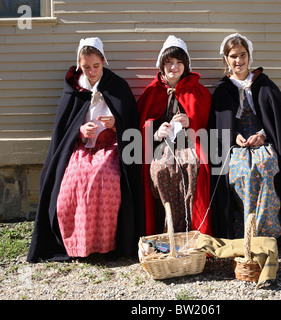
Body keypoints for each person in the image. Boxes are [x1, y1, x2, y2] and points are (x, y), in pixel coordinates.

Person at [27, 37, 144, 262]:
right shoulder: (74, 88)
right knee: (73, 183)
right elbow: (65, 127)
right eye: (86, 67)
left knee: (103, 177)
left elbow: (131, 122)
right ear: (79, 65)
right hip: (80, 148)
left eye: (96, 66)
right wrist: (80, 130)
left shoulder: (117, 86)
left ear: (103, 61)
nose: (91, 71)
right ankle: (78, 244)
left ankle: (103, 245)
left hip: (110, 146)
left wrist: (116, 124)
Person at [210, 33, 281, 253]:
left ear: (249, 56)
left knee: (266, 167)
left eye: (242, 55)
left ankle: (267, 235)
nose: (238, 61)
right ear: (226, 60)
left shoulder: (264, 85)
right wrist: (233, 137)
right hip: (237, 148)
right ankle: (245, 235)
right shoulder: (222, 90)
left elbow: (278, 124)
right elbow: (219, 127)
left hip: (262, 142)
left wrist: (263, 135)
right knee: (242, 173)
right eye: (233, 56)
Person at [137, 35, 212, 236]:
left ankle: (189, 227)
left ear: (186, 65)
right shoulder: (152, 91)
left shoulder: (198, 92)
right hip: (161, 148)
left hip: (188, 145)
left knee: (191, 167)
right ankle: (166, 227)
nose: (174, 67)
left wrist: (191, 124)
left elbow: (206, 125)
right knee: (160, 169)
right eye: (169, 62)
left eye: (179, 62)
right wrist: (154, 132)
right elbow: (140, 126)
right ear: (161, 64)